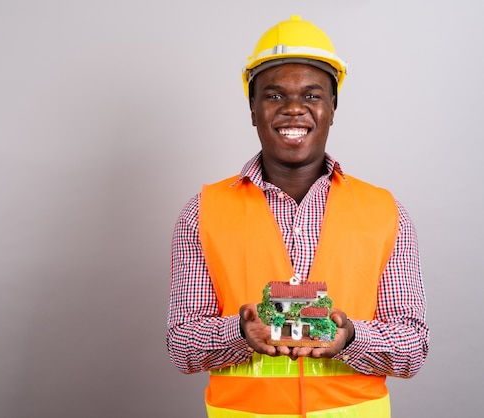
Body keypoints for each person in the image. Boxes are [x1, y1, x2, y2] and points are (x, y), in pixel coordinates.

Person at [166, 15, 429, 418]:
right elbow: (182, 344)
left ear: (332, 108)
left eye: (311, 95)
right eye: (273, 96)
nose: (293, 109)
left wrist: (352, 337)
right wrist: (239, 332)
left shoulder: (384, 211)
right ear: (253, 109)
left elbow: (412, 348)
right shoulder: (202, 211)